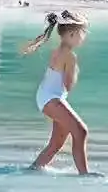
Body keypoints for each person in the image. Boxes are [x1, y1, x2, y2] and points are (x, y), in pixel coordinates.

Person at [18, 10, 92, 174]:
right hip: (51, 98)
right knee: (81, 131)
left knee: (57, 142)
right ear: (72, 34)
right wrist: (75, 71)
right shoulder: (70, 56)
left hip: (47, 96)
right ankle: (84, 176)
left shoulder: (59, 50)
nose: (84, 37)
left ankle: (32, 171)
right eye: (83, 33)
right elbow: (68, 85)